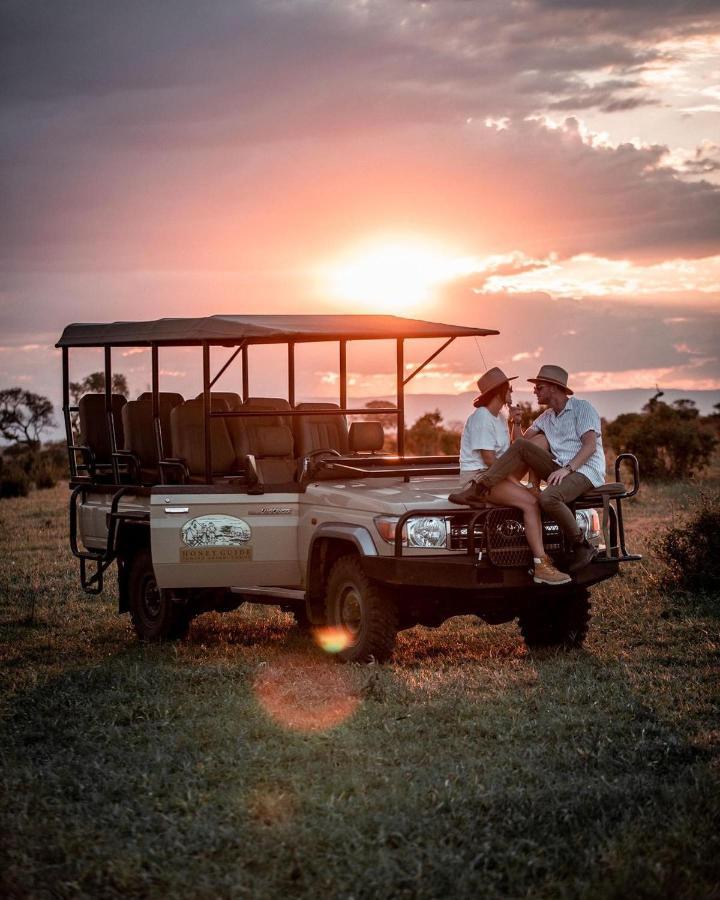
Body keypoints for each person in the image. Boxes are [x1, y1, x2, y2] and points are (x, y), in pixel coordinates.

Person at [449, 364, 604, 572]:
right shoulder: (547, 417)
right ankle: (486, 487)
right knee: (531, 444)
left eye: (539, 388)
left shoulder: (582, 408)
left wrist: (567, 469)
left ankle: (581, 546)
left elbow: (590, 445)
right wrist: (516, 422)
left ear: (553, 388)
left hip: (584, 469)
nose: (534, 391)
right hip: (558, 469)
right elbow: (520, 447)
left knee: (548, 498)